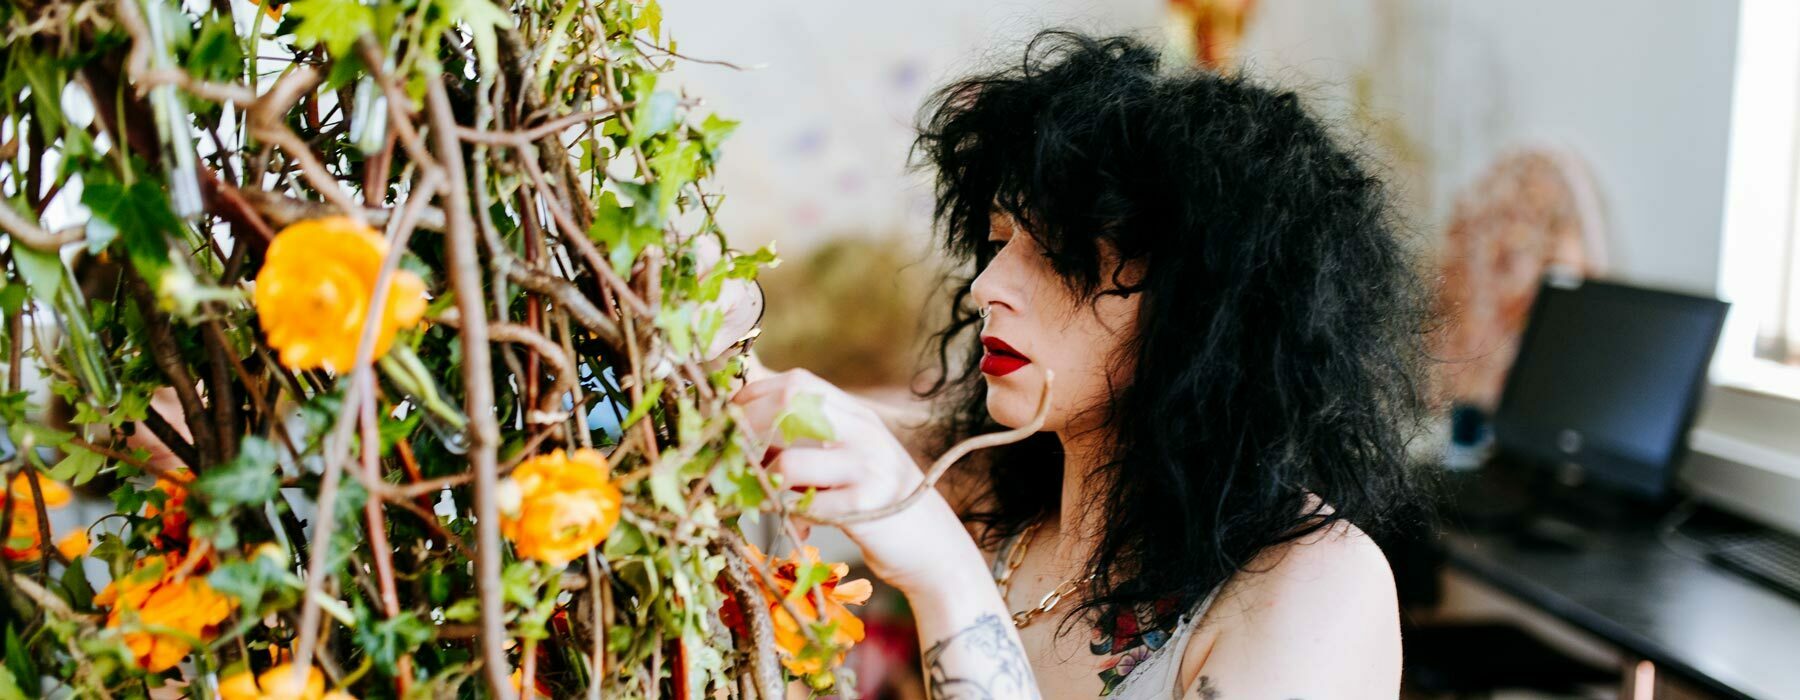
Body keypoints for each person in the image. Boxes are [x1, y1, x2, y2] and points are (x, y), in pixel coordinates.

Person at [733, 30, 1431, 700]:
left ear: (1205, 308)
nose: (986, 287)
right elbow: (820, 422)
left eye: (1058, 252)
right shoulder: (1002, 491)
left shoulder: (1318, 587)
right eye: (999, 241)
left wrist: (948, 577)